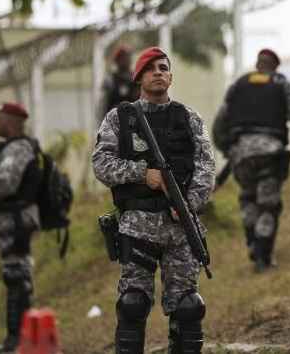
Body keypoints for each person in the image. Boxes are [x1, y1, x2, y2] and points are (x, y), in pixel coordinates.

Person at [92, 47, 216, 354]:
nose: (158, 72)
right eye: (150, 68)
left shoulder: (189, 118)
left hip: (180, 229)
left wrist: (188, 203)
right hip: (137, 228)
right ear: (138, 78)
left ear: (171, 77)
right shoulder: (120, 118)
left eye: (163, 67)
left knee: (188, 306)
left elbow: (206, 167)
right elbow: (101, 163)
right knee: (132, 303)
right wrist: (141, 174)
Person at [212, 48, 290, 273]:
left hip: (240, 156)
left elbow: (219, 122)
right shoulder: (281, 83)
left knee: (249, 199)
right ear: (275, 66)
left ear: (258, 64)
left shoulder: (238, 85)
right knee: (268, 204)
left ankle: (252, 243)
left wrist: (227, 149)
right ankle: (262, 255)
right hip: (270, 153)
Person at [0, 102, 41, 352]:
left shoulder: (18, 149)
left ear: (12, 122)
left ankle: (18, 340)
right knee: (16, 276)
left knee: (17, 277)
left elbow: (6, 183)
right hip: (12, 222)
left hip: (17, 221)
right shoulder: (11, 149)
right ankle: (19, 338)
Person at [98, 44, 139, 123]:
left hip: (133, 123)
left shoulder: (136, 78)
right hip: (113, 123)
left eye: (129, 56)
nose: (128, 59)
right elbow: (103, 106)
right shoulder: (110, 79)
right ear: (117, 60)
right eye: (124, 57)